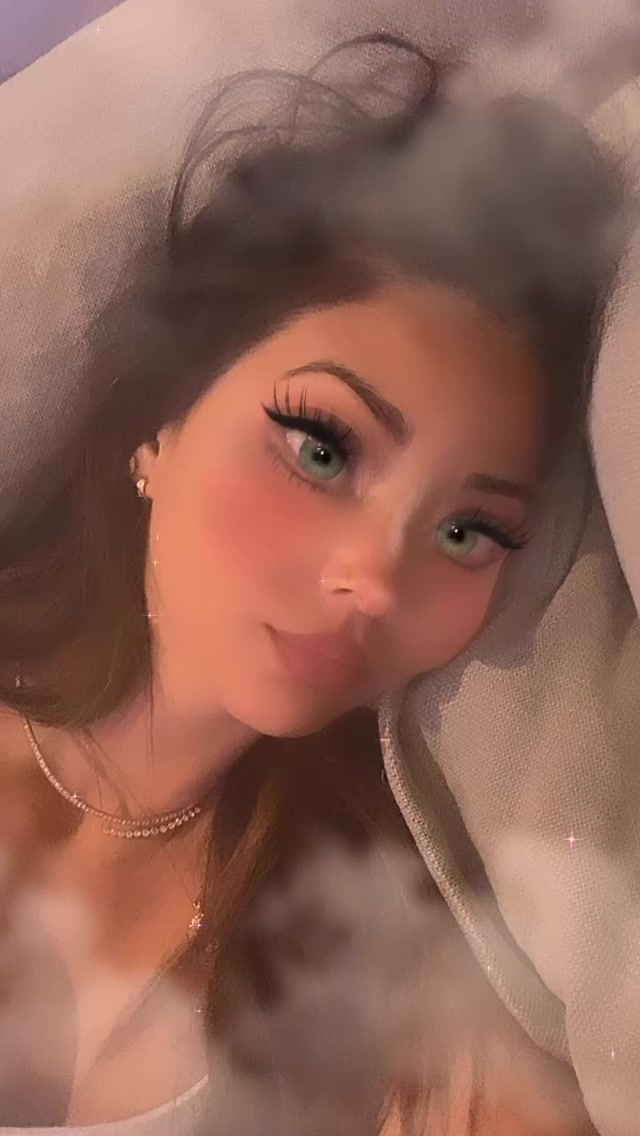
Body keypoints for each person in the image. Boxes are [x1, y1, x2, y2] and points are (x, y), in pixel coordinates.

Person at [0, 32, 626, 1136]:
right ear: (161, 418)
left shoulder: (390, 964)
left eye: (468, 530)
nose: (376, 579)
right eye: (321, 449)